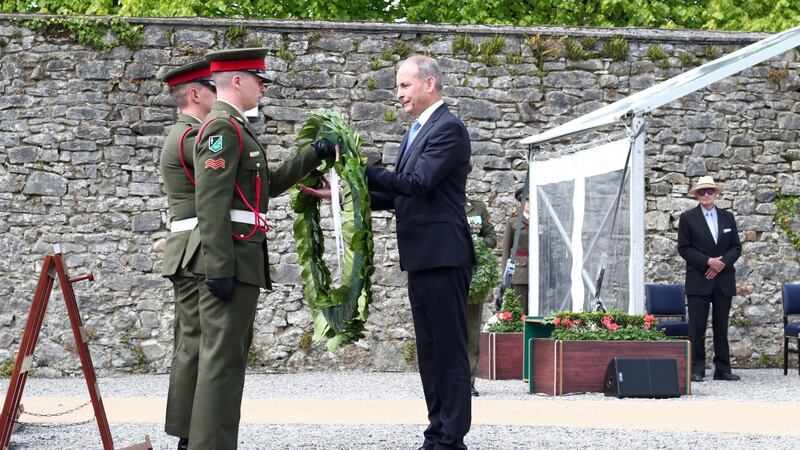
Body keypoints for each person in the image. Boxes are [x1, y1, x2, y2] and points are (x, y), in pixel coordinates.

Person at [186, 48, 336, 449]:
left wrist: (312, 155)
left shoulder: (236, 128)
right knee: (221, 363)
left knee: (229, 362)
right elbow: (211, 203)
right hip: (231, 258)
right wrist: (219, 266)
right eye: (258, 78)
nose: (263, 86)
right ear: (237, 80)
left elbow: (264, 185)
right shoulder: (221, 128)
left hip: (242, 255)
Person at [366, 55, 475, 450]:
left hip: (444, 255)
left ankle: (451, 438)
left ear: (429, 83)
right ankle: (436, 431)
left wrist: (362, 170)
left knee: (448, 351)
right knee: (429, 352)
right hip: (422, 256)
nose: (398, 94)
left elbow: (417, 181)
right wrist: (346, 192)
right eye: (398, 86)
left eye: (404, 85)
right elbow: (401, 196)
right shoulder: (415, 131)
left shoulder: (449, 129)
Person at [158, 60, 217, 450]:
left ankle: (188, 434)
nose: (220, 96)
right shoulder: (193, 137)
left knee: (192, 344)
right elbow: (225, 186)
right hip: (196, 251)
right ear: (195, 94)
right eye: (213, 88)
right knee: (196, 346)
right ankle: (188, 437)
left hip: (189, 250)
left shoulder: (187, 134)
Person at [678, 176, 742, 383]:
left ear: (716, 193)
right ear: (696, 194)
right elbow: (684, 248)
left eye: (710, 191)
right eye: (702, 192)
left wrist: (720, 264)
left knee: (721, 327)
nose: (706, 195)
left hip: (723, 280)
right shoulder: (687, 218)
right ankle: (696, 368)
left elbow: (736, 247)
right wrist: (708, 262)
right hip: (699, 278)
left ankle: (723, 369)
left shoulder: (727, 217)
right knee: (696, 327)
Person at [464, 185, 496, 398]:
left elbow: (491, 238)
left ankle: (468, 380)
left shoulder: (477, 208)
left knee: (471, 332)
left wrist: (476, 244)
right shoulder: (443, 203)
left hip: (474, 277)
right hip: (448, 275)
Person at [500, 187, 530, 315]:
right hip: (520, 272)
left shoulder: (541, 221)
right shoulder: (512, 222)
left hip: (539, 273)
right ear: (520, 202)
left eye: (531, 200)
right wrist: (505, 274)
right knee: (520, 311)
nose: (529, 203)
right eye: (526, 200)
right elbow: (506, 250)